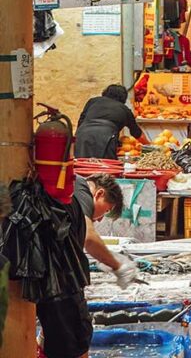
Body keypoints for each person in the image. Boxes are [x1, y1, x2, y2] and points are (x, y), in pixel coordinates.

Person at [37, 174, 137, 358]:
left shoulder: (70, 191)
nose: (99, 219)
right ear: (99, 193)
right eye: (106, 211)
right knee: (77, 337)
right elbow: (89, 239)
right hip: (58, 279)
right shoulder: (81, 188)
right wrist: (118, 266)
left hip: (43, 275)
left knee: (52, 334)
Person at [74, 85, 143, 160]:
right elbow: (137, 133)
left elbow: (81, 121)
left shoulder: (93, 101)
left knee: (82, 164)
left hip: (83, 135)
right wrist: (149, 145)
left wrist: (76, 138)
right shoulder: (124, 110)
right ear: (124, 98)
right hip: (107, 137)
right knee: (106, 165)